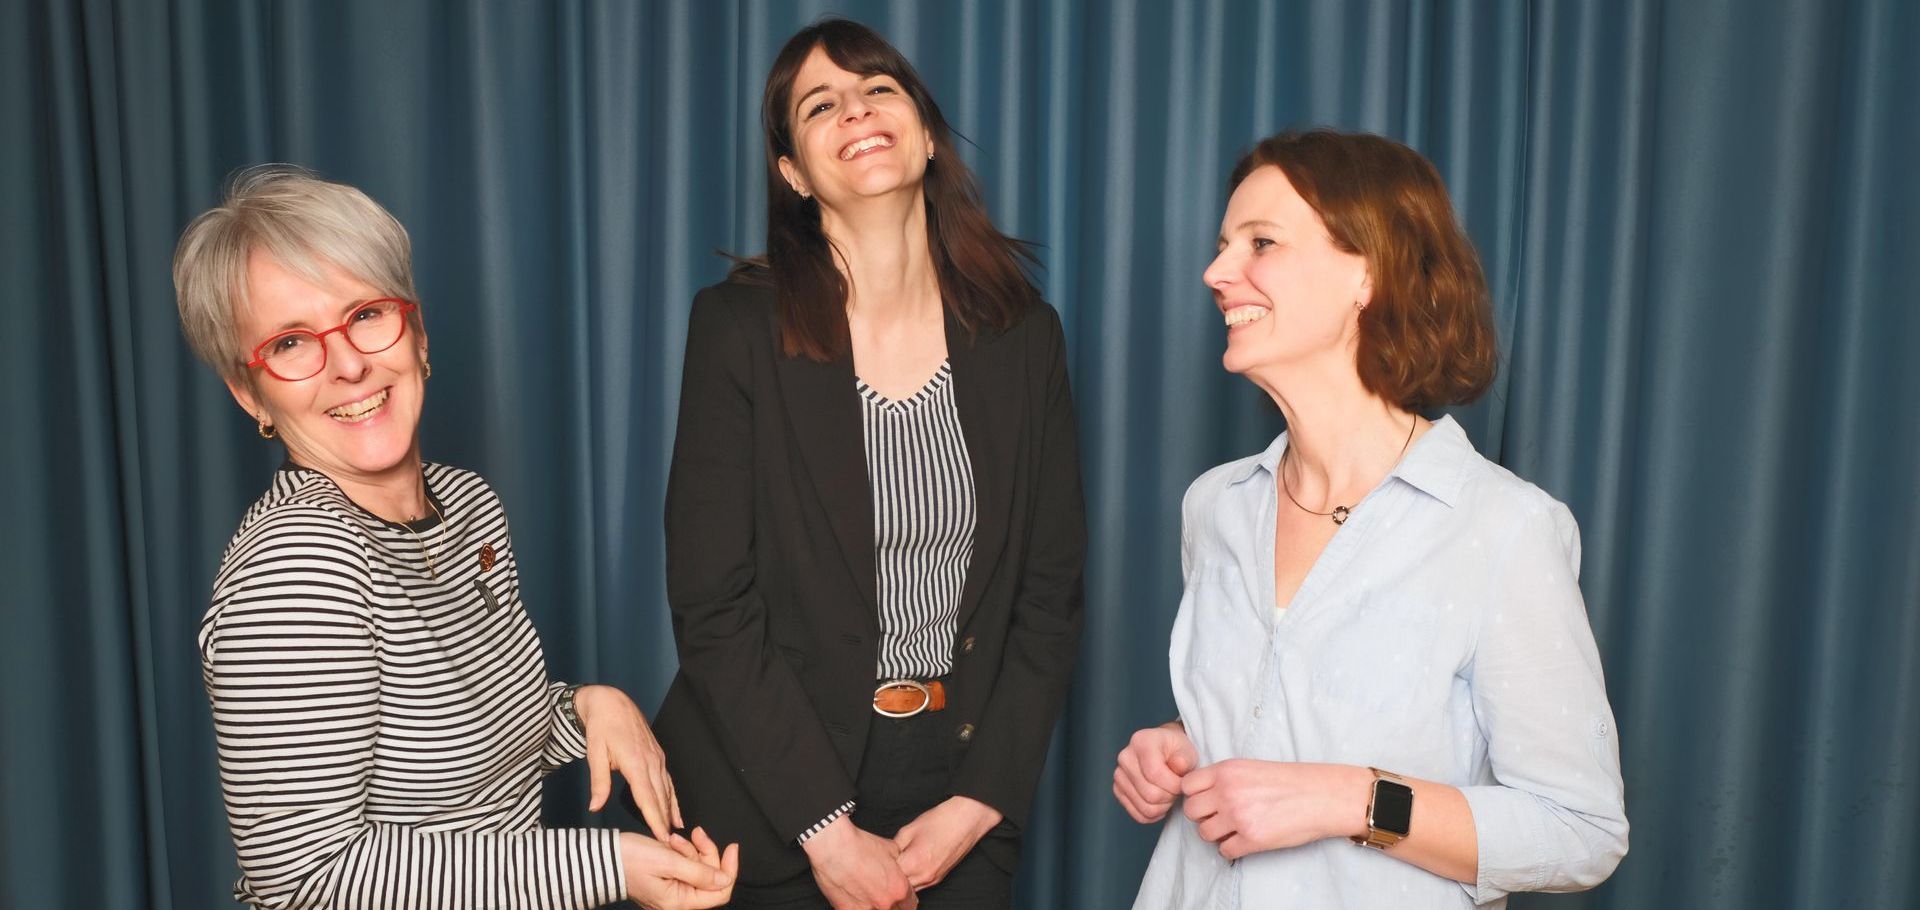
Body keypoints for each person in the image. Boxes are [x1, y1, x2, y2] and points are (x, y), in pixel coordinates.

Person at [175, 165, 737, 910]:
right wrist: (611, 867)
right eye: (290, 343)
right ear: (251, 393)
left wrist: (590, 706)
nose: (347, 364)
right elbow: (303, 875)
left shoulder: (468, 506)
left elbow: (474, 740)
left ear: (416, 330)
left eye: (366, 314)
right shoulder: (296, 568)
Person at [1117, 129, 1628, 908]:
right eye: (1223, 246)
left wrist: (1349, 799)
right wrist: (1186, 747)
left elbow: (1579, 831)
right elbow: (1287, 710)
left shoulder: (1501, 528)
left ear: (1368, 272)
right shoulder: (1217, 506)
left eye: (1261, 243)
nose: (1217, 274)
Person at [651, 18, 1085, 910]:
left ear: (925, 134)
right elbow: (712, 603)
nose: (855, 109)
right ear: (794, 173)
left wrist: (979, 803)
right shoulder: (736, 329)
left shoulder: (1025, 337)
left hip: (960, 794)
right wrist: (826, 829)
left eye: (877, 88)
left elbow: (1050, 597)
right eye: (820, 105)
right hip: (768, 803)